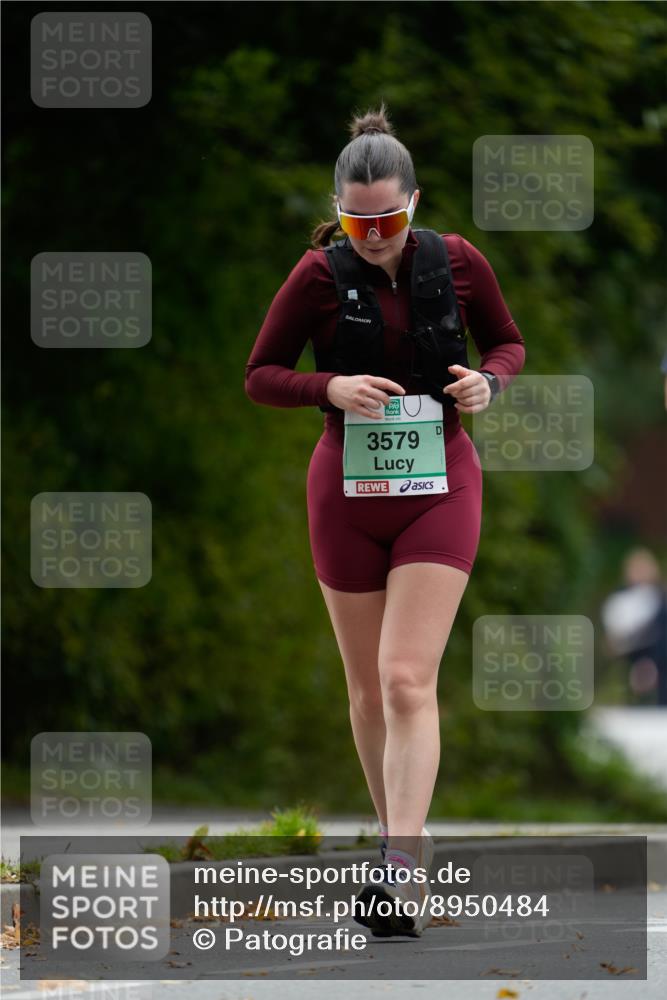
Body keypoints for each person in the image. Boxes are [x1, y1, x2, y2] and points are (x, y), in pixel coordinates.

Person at [244, 102, 526, 936]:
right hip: (345, 493)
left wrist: (489, 382)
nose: (373, 234)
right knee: (366, 690)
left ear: (416, 202)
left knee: (407, 678)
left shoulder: (460, 262)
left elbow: (507, 344)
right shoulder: (317, 276)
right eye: (356, 220)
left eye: (390, 218)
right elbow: (260, 373)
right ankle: (401, 841)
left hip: (440, 484)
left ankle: (397, 867)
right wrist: (324, 386)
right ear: (337, 212)